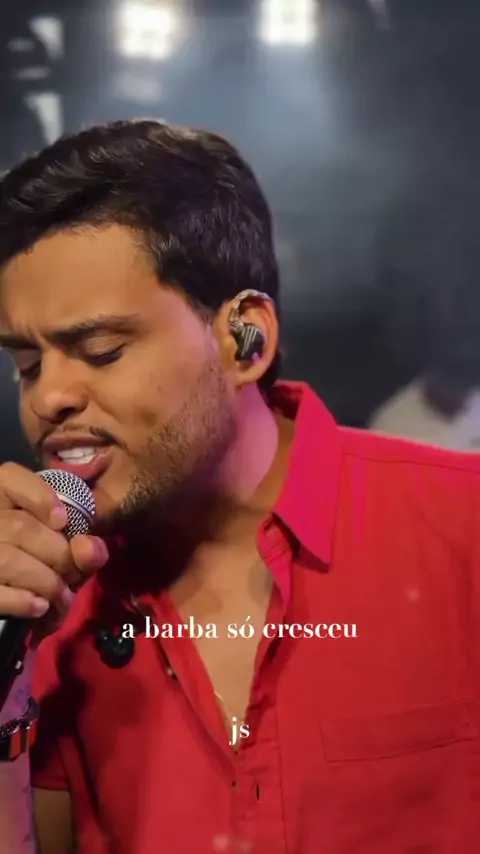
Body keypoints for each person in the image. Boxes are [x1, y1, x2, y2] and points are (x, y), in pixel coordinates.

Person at [0, 120, 479, 854]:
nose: (49, 397)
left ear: (245, 340)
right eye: (27, 366)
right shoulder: (45, 613)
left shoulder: (461, 529)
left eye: (100, 350)